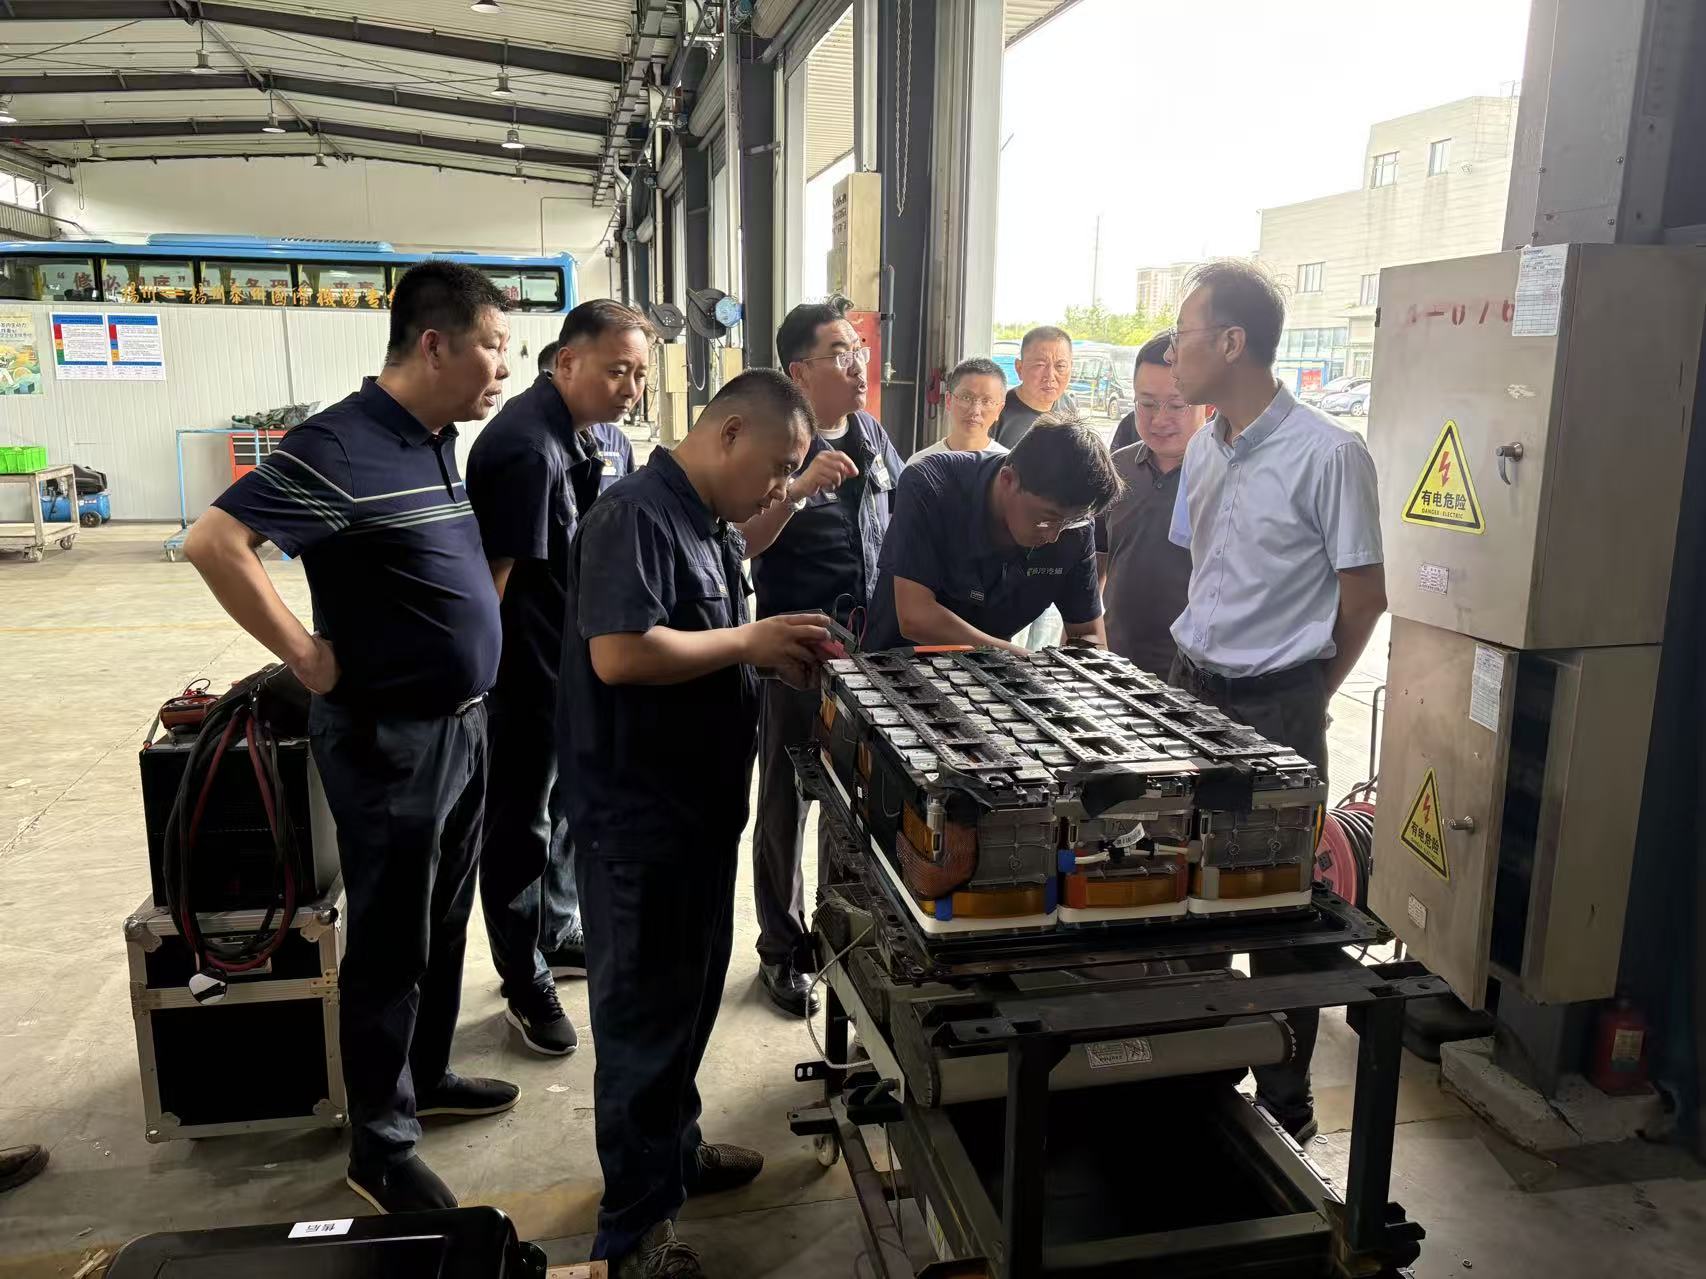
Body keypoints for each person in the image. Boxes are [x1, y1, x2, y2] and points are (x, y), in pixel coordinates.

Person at [183, 261, 519, 1213]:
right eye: (494, 346)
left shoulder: (434, 441)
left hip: (463, 728)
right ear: (435, 345)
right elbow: (215, 541)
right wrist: (304, 654)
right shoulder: (338, 442)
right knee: (390, 944)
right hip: (389, 740)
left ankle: (427, 1075)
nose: (505, 366)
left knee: (443, 921)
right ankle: (380, 1145)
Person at [560, 369, 831, 1279]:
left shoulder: (706, 522)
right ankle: (632, 1232)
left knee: (687, 1004)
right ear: (729, 433)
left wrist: (767, 655)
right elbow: (620, 652)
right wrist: (750, 641)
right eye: (778, 466)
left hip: (696, 814)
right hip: (640, 823)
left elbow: (700, 641)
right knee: (642, 1023)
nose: (780, 485)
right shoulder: (633, 517)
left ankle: (672, 1156)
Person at [1166, 258, 1387, 1143]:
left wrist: (1305, 694)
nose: (1173, 353)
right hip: (1191, 692)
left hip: (1278, 706)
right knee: (1186, 888)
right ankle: (1200, 1070)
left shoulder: (1329, 454)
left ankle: (1285, 1103)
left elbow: (1363, 598)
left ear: (1232, 342)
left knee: (1279, 907)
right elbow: (1203, 571)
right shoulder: (1204, 447)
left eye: (1183, 335)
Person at [465, 300, 651, 1057]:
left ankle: (557, 928)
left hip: (569, 670)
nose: (631, 388)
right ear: (566, 362)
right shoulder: (525, 449)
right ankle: (523, 978)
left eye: (640, 373)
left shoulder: (584, 436)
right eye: (618, 371)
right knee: (520, 829)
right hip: (522, 681)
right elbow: (493, 588)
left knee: (566, 812)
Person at [736, 300, 903, 1016]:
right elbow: (738, 541)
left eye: (858, 350)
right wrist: (798, 491)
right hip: (795, 654)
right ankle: (781, 949)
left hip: (868, 659)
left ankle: (838, 938)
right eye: (840, 352)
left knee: (852, 804)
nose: (858, 364)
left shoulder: (872, 435)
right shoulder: (775, 442)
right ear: (799, 370)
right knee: (785, 803)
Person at [862, 417, 1120, 653]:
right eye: (1046, 520)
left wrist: (1087, 663)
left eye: (1068, 522)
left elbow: (1088, 633)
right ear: (1008, 480)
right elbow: (916, 618)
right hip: (896, 663)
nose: (1054, 536)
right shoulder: (931, 485)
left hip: (992, 674)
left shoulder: (1073, 525)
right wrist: (1020, 660)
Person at [1095, 330, 1206, 674]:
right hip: (1116, 665)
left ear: (1208, 403)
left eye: (1177, 405)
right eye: (1146, 403)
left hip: (1194, 675)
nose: (1159, 419)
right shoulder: (1117, 467)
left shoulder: (1226, 476)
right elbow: (1097, 562)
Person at [907, 357, 1009, 464]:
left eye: (986, 401)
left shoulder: (1008, 465)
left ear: (999, 410)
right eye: (966, 398)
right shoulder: (920, 464)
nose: (975, 410)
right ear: (948, 400)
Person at [991, 325, 1073, 448]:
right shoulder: (994, 412)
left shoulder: (1068, 405)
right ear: (1019, 368)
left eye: (1060, 366)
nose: (1050, 376)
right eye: (1040, 365)